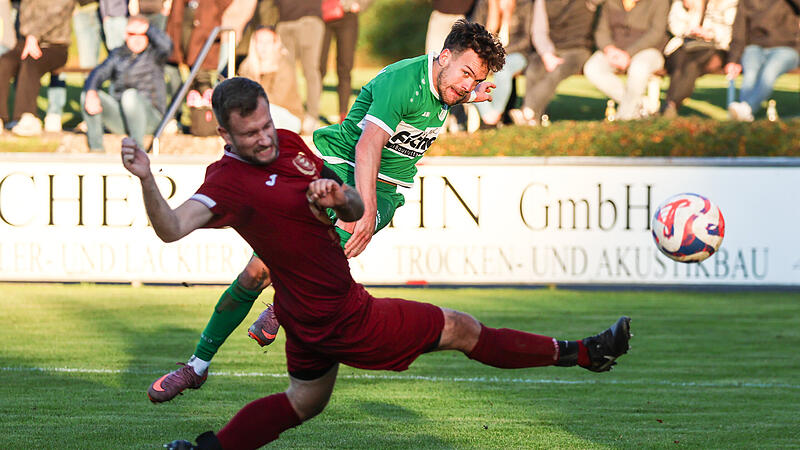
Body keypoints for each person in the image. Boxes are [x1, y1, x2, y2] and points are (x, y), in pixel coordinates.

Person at [121, 76, 632, 450]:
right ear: (225, 133)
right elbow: (170, 228)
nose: (265, 138)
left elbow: (357, 210)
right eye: (251, 133)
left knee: (304, 402)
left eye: (267, 124)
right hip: (340, 314)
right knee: (461, 328)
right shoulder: (225, 183)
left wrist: (337, 196)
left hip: (303, 316)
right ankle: (585, 353)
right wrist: (147, 178)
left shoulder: (293, 148)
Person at [146, 20, 505, 403]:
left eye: (474, 79)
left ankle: (284, 306)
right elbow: (368, 147)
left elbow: (441, 94)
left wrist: (470, 92)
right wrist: (363, 211)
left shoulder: (448, 84)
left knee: (334, 241)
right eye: (466, 74)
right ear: (444, 56)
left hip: (385, 188)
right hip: (337, 166)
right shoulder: (403, 81)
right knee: (255, 272)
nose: (467, 84)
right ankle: (197, 366)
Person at [81, 15, 172, 152]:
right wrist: (91, 92)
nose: (136, 38)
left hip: (151, 118)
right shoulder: (118, 54)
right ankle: (97, 150)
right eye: (132, 34)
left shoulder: (155, 54)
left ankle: (137, 151)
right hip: (121, 118)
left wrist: (148, 28)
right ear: (125, 34)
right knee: (88, 95)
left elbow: (167, 46)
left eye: (141, 34)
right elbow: (98, 73)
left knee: (129, 96)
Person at [582, 0, 669, 120]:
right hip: (615, 49)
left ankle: (624, 118)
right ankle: (641, 104)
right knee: (592, 68)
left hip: (648, 50)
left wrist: (628, 54)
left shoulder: (659, 2)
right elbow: (601, 30)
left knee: (639, 68)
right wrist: (609, 49)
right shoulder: (610, 2)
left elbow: (656, 33)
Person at [518, 0, 600, 125]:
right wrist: (547, 54)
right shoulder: (543, 2)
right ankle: (534, 120)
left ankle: (528, 110)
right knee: (533, 71)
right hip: (552, 49)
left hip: (578, 49)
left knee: (557, 71)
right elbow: (539, 31)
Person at [0, 0, 74, 136]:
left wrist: (34, 36)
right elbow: (25, 17)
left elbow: (57, 14)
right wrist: (31, 37)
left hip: (55, 45)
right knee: (4, 62)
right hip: (28, 41)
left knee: (31, 62)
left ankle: (26, 117)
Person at [661, 0, 738, 118]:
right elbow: (675, 27)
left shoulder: (728, 3)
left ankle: (670, 105)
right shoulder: (683, 3)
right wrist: (692, 11)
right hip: (685, 45)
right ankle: (671, 106)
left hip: (713, 47)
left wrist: (710, 34)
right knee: (680, 64)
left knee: (692, 65)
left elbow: (732, 31)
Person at [725, 0, 800, 122]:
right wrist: (733, 59)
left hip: (787, 48)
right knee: (750, 74)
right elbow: (739, 30)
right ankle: (745, 113)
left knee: (769, 72)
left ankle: (746, 109)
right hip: (755, 47)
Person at [238, 25, 304, 133]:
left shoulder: (284, 66)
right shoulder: (247, 67)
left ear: (276, 44)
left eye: (268, 42)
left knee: (268, 111)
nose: (263, 47)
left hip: (287, 116)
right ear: (254, 44)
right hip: (258, 115)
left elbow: (277, 99)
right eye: (260, 42)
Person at [274, 0, 325, 134]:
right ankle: (291, 113)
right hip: (284, 21)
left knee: (310, 70)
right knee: (285, 70)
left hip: (308, 20)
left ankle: (312, 116)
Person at [319, 0, 373, 123]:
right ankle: (313, 112)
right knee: (319, 67)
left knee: (345, 67)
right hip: (322, 15)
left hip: (347, 16)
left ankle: (343, 115)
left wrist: (360, 5)